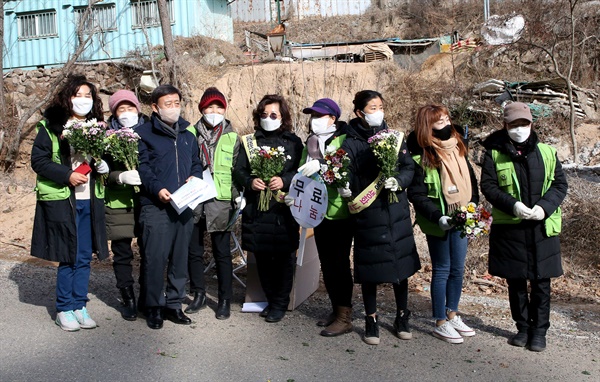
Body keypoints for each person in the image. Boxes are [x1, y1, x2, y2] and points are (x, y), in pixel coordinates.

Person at [480, 102, 567, 352]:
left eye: (524, 124)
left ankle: (539, 331)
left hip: (542, 228)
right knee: (515, 281)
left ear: (531, 124)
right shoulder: (494, 153)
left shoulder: (548, 152)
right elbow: (489, 186)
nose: (519, 129)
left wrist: (544, 207)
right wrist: (513, 205)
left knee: (541, 282)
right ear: (505, 126)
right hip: (511, 227)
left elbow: (559, 185)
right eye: (514, 125)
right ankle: (522, 327)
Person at [340, 90, 421, 345]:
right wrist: (346, 186)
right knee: (370, 268)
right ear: (359, 113)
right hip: (368, 213)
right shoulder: (350, 142)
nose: (378, 112)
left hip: (395, 211)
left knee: (402, 266)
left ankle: (402, 315)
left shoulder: (395, 138)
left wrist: (400, 181)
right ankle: (371, 318)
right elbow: (346, 171)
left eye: (380, 107)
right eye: (372, 108)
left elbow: (409, 167)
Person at [31, 74, 109, 331]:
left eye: (88, 95)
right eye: (78, 95)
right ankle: (64, 308)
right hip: (64, 200)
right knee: (69, 255)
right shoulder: (51, 127)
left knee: (85, 257)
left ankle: (79, 305)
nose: (83, 100)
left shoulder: (97, 126)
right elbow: (39, 162)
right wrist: (67, 175)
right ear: (67, 97)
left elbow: (100, 161)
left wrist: (101, 164)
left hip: (91, 199)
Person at [407, 104, 479, 344]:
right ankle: (440, 321)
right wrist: (439, 216)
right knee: (442, 269)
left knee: (458, 268)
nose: (446, 124)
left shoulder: (458, 147)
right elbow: (417, 195)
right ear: (428, 126)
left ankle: (453, 313)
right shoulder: (421, 156)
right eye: (439, 122)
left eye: (447, 119)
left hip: (462, 217)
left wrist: (473, 207)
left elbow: (472, 181)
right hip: (438, 220)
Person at [285, 98, 354, 336]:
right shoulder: (311, 142)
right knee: (327, 263)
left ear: (332, 118)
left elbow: (347, 169)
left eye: (320, 116)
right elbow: (303, 175)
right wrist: (293, 195)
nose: (314, 120)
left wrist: (323, 166)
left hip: (339, 211)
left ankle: (345, 316)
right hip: (317, 211)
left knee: (340, 263)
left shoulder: (346, 139)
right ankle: (336, 310)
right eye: (312, 116)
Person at [137, 84, 204, 329]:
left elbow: (197, 162)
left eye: (177, 103)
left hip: (184, 205)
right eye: (168, 104)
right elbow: (143, 168)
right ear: (155, 107)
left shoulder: (188, 133)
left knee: (179, 257)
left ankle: (174, 304)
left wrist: (195, 177)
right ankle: (153, 306)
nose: (174, 108)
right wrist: (157, 189)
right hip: (156, 206)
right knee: (155, 258)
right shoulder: (143, 134)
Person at [232, 94, 303, 323]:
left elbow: (301, 172)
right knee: (261, 256)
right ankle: (271, 299)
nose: (268, 118)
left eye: (274, 115)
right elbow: (239, 170)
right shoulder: (249, 142)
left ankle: (280, 303)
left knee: (283, 258)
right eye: (264, 115)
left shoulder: (293, 142)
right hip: (257, 208)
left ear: (282, 117)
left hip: (283, 209)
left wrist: (285, 180)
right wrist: (250, 181)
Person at [185, 87, 243, 320]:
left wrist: (239, 194)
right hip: (195, 198)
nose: (214, 111)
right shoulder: (188, 133)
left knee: (222, 252)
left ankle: (224, 300)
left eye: (219, 106)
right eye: (210, 106)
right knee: (194, 250)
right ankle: (198, 294)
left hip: (220, 200)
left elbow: (238, 169)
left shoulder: (232, 136)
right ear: (202, 109)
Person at [105, 90, 147, 321]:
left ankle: (145, 296)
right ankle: (128, 297)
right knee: (122, 253)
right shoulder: (106, 136)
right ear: (114, 112)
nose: (127, 113)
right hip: (118, 202)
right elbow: (100, 172)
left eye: (130, 108)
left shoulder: (150, 131)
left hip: (146, 201)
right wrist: (118, 177)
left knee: (148, 251)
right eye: (121, 109)